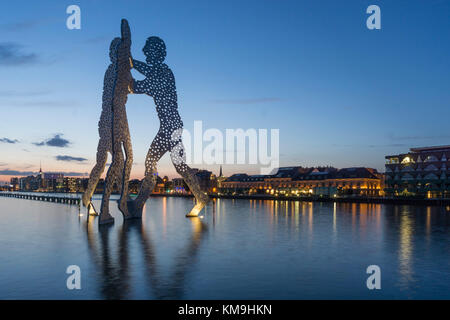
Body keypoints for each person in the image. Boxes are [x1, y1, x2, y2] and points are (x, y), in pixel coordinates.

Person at [128, 36, 208, 218]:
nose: (146, 55)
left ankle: (138, 205)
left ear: (155, 53)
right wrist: (132, 64)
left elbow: (139, 86)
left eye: (148, 52)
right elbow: (148, 70)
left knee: (151, 162)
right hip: (173, 126)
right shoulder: (162, 70)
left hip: (169, 128)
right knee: (179, 166)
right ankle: (201, 197)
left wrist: (127, 75)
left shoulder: (162, 74)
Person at [83, 20, 133, 224]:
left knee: (107, 160)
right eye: (119, 52)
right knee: (119, 160)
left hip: (110, 118)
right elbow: (118, 96)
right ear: (117, 54)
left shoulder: (114, 71)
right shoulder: (118, 71)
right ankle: (105, 209)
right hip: (114, 118)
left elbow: (131, 87)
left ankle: (88, 197)